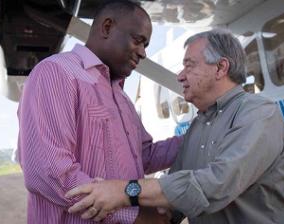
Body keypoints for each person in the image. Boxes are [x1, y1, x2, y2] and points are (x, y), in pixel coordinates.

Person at [65, 28, 284, 224]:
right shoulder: (198, 125)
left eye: (189, 65)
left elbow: (213, 186)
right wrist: (111, 210)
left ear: (221, 68)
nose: (180, 76)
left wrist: (124, 192)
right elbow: (173, 203)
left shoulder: (259, 114)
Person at [17, 1, 182, 223]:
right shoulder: (57, 73)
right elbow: (50, 172)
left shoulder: (122, 97)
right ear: (106, 27)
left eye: (146, 45)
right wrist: (135, 216)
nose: (143, 53)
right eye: (138, 40)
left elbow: (144, 156)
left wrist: (200, 135)